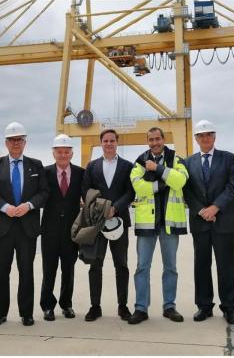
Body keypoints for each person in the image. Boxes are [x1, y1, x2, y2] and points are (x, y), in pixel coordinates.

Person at [0, 122, 49, 327]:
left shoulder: (36, 165)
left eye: (19, 140)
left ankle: (26, 313)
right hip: (2, 228)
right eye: (12, 140)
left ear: (25, 142)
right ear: (6, 143)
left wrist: (29, 205)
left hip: (27, 228)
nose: (15, 143)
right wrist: (5, 207)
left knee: (26, 271)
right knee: (1, 271)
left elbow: (44, 193)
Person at [128, 127, 189, 325]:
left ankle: (169, 307)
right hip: (147, 224)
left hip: (169, 224)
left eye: (158, 139)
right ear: (147, 141)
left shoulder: (176, 159)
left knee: (170, 267)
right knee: (142, 267)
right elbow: (138, 186)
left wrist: (158, 170)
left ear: (164, 139)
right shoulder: (140, 161)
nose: (155, 142)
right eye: (151, 139)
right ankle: (140, 308)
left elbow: (180, 181)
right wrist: (163, 184)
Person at [183, 119, 234, 324]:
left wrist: (215, 207)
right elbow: (186, 190)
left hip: (222, 219)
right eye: (201, 135)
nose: (205, 138)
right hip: (200, 222)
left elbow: (232, 187)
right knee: (201, 265)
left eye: (209, 134)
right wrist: (200, 211)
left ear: (214, 137)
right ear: (196, 139)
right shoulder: (188, 163)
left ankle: (229, 307)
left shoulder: (228, 159)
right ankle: (204, 306)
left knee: (226, 265)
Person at [81, 129, 135, 322]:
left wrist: (116, 208)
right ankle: (95, 306)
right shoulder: (92, 166)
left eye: (112, 140)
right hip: (97, 223)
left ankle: (123, 306)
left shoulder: (128, 166)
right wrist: (101, 209)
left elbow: (131, 192)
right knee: (95, 264)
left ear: (117, 142)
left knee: (121, 265)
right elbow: (85, 190)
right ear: (101, 143)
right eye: (105, 140)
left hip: (120, 222)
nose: (109, 143)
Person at [39, 134, 84, 321]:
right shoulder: (45, 172)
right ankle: (47, 306)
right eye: (60, 152)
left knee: (68, 269)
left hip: (71, 230)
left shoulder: (81, 173)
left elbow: (88, 197)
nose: (63, 155)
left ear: (72, 153)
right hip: (49, 230)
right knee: (49, 269)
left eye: (66, 151)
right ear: (53, 153)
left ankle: (66, 304)